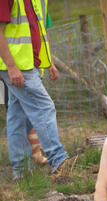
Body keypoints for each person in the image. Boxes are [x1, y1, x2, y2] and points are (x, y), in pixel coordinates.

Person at [0, 0, 70, 180]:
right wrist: (11, 67)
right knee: (43, 107)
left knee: (18, 117)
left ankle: (21, 172)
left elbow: (41, 29)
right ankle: (58, 159)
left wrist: (49, 62)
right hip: (18, 65)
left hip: (31, 64)